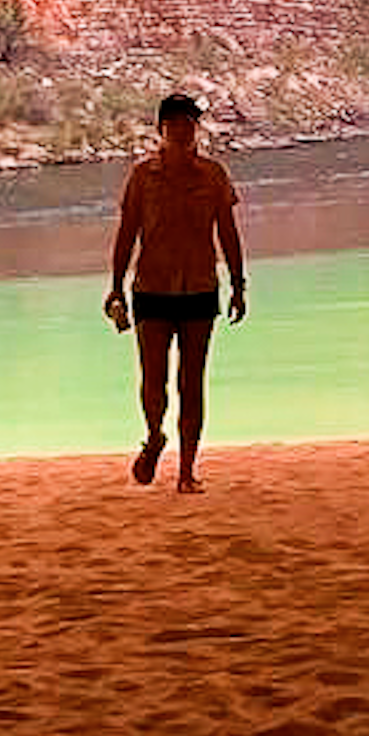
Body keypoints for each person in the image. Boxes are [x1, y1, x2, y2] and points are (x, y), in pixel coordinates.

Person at [106, 92, 248, 492]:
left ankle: (187, 471)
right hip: (151, 288)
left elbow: (228, 233)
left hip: (201, 287)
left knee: (193, 381)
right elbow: (126, 233)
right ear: (161, 130)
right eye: (176, 125)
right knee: (153, 380)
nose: (184, 131)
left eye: (190, 124)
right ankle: (154, 436)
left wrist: (239, 284)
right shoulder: (141, 176)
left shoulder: (214, 175)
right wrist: (115, 288)